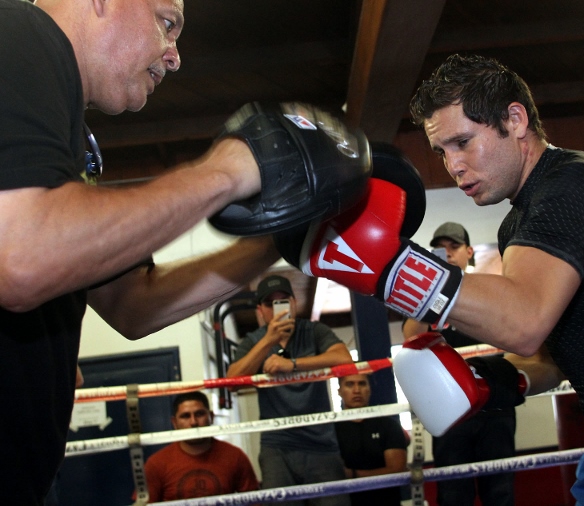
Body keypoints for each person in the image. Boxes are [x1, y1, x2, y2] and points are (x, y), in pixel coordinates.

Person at [276, 53, 584, 505]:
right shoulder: (516, 226)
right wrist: (497, 379)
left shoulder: (578, 183)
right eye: (442, 151)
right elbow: (551, 353)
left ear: (515, 119)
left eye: (463, 142)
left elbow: (522, 322)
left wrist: (386, 265)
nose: (453, 166)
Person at [0, 1, 371, 504]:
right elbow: (21, 256)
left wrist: (286, 234)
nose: (175, 58)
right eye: (166, 23)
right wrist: (225, 172)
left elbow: (135, 302)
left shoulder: (72, 144)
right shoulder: (19, 32)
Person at [403, 222, 516, 506]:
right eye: (440, 250)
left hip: (494, 403)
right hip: (451, 407)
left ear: (469, 251)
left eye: (454, 247)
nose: (448, 253)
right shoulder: (428, 300)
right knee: (454, 494)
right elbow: (409, 336)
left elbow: (514, 333)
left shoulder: (490, 289)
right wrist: (429, 290)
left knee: (499, 492)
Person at [226, 275, 353, 506]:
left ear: (294, 304)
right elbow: (232, 381)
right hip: (277, 445)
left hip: (321, 443)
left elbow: (344, 359)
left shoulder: (314, 331)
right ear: (260, 311)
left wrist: (293, 365)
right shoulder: (254, 341)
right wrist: (268, 340)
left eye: (283, 300)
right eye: (270, 304)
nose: (278, 308)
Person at [142, 391, 259, 501]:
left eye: (199, 414)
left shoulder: (235, 456)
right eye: (185, 416)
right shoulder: (157, 463)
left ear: (211, 417)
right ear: (174, 423)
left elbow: (255, 502)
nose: (193, 422)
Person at [334, 374, 408, 506]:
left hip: (386, 501)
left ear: (369, 389)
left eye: (362, 384)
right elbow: (332, 472)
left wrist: (354, 475)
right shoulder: (330, 429)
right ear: (339, 391)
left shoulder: (388, 425)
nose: (357, 390)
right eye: (350, 384)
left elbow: (397, 470)